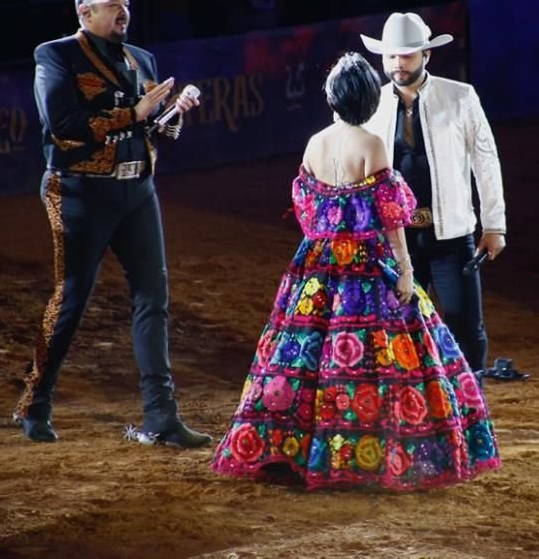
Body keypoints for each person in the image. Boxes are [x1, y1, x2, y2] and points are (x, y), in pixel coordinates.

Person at [211, 52, 500, 490]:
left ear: (332, 98)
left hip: (316, 262)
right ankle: (371, 451)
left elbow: (309, 213)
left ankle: (294, 448)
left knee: (303, 357)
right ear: (368, 100)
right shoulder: (373, 145)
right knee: (383, 358)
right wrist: (405, 269)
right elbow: (391, 218)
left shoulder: (314, 143)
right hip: (365, 262)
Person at [12, 0, 212, 448]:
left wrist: (174, 112)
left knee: (153, 296)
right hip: (79, 192)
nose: (123, 11)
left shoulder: (141, 59)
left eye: (125, 4)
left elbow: (153, 130)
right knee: (72, 298)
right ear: (85, 12)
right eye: (111, 4)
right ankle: (34, 403)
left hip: (137, 189)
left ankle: (161, 416)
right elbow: (62, 124)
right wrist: (135, 114)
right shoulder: (56, 55)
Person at [360, 12, 507, 376]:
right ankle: (407, 408)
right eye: (391, 56)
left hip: (451, 237)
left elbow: (485, 160)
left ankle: (471, 404)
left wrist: (494, 226)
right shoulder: (371, 105)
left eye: (407, 55)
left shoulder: (460, 97)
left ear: (427, 54)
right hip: (395, 240)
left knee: (465, 329)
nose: (398, 63)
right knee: (396, 332)